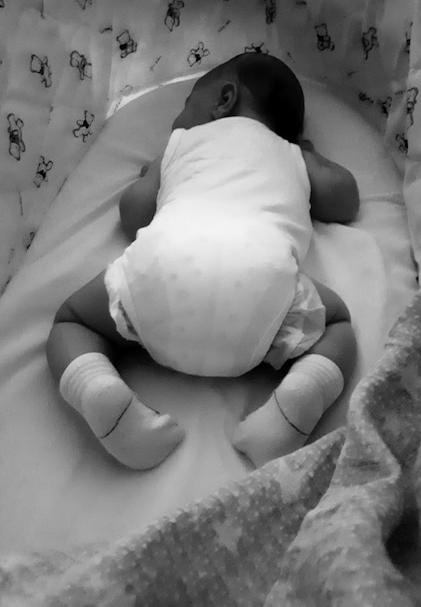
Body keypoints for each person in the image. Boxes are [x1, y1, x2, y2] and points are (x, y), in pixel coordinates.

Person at [47, 53, 359, 470]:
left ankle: (102, 396)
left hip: (161, 276)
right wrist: (311, 157)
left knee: (72, 322)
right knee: (337, 326)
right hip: (260, 293)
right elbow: (345, 201)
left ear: (223, 99)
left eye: (185, 102)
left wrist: (153, 178)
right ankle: (290, 412)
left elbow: (133, 215)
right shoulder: (292, 155)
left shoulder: (179, 146)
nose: (177, 118)